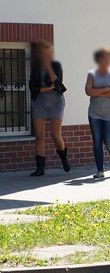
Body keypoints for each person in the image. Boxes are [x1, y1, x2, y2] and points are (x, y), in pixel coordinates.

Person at [28, 42, 70, 177]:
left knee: (55, 135)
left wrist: (48, 67)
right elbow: (32, 87)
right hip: (39, 103)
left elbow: (58, 85)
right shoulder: (35, 68)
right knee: (39, 136)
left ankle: (63, 157)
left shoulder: (56, 65)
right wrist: (46, 88)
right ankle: (40, 169)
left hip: (56, 103)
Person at [84, 47, 110, 178]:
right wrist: (105, 89)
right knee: (97, 141)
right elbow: (88, 91)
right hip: (94, 113)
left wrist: (97, 91)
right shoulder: (91, 74)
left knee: (109, 141)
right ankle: (100, 171)